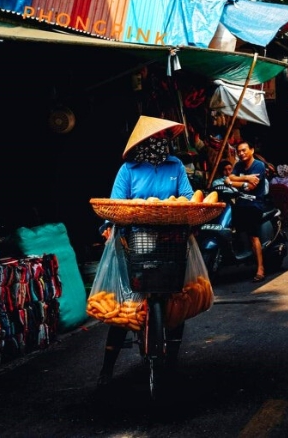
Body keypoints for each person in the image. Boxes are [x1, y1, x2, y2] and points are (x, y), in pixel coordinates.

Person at [98, 116, 194, 387]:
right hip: (136, 241)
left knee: (175, 302)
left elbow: (187, 196)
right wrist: (109, 226)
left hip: (171, 240)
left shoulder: (175, 165)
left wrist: (186, 211)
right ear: (143, 142)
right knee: (125, 307)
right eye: (155, 139)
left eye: (163, 138)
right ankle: (107, 368)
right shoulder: (129, 169)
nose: (160, 143)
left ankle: (172, 360)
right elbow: (117, 203)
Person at [224, 140, 268, 282]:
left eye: (244, 150)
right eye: (239, 151)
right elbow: (230, 177)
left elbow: (251, 187)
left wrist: (233, 182)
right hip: (241, 204)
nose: (241, 153)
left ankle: (260, 268)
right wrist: (245, 179)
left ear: (252, 150)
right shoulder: (238, 165)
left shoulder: (259, 166)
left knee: (253, 235)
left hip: (255, 204)